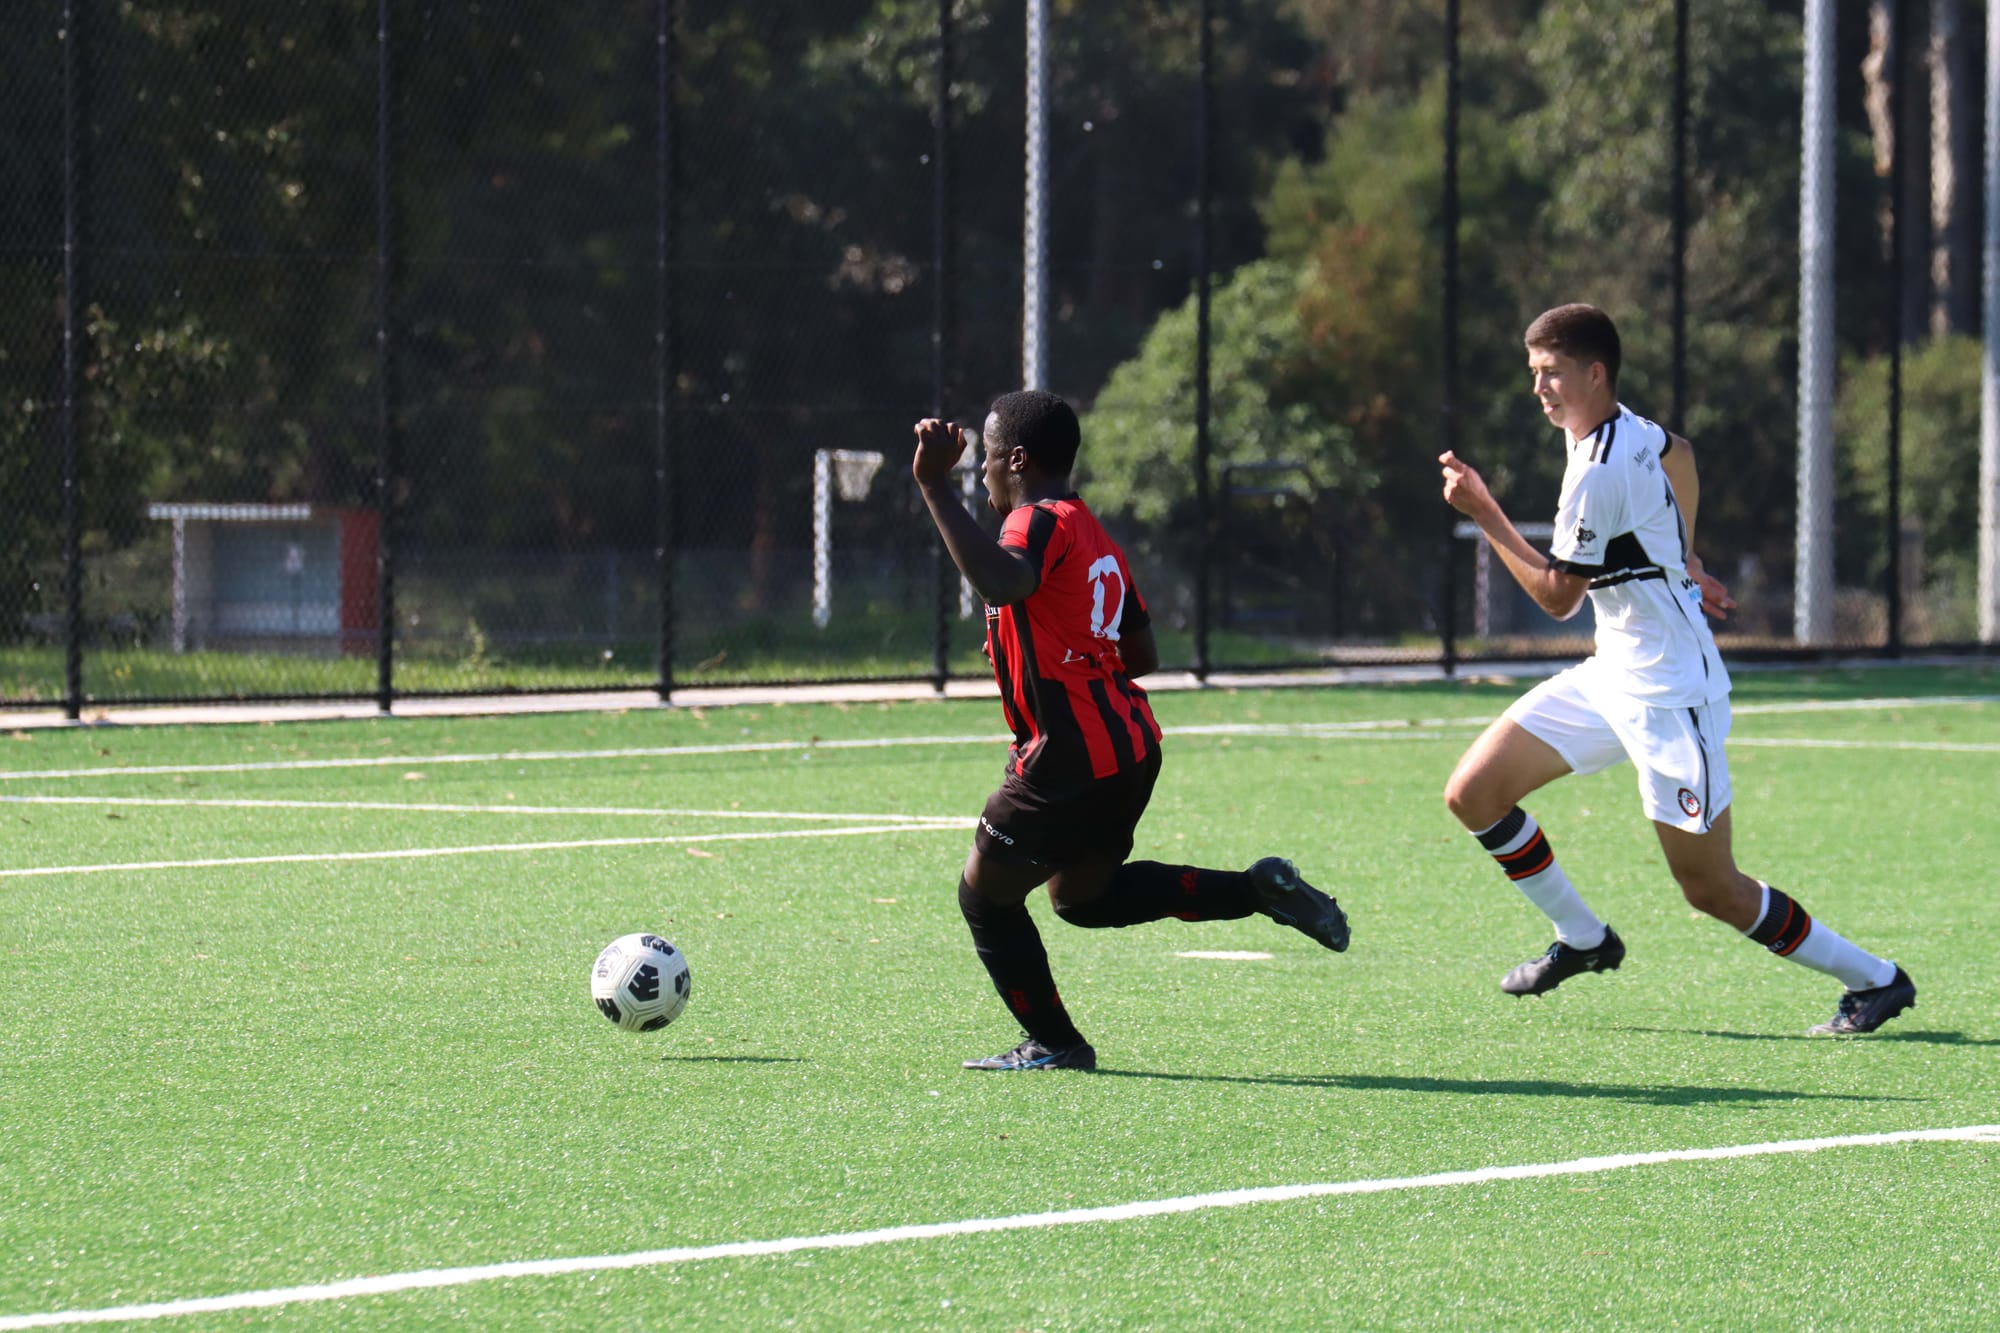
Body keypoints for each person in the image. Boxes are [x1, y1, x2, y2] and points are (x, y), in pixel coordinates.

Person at [1437, 303, 1915, 1036]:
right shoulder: (1621, 428)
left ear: (1595, 374)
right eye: (1534, 373)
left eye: (1552, 373)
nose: (1540, 389)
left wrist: (1485, 510)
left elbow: (1557, 598)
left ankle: (1876, 979)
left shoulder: (1594, 468)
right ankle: (1585, 939)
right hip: (1612, 673)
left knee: (1711, 887)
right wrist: (1684, 557)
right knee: (1473, 792)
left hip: (1671, 694)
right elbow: (1680, 453)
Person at [912, 389, 1350, 1072]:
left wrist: (935, 485)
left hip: (1064, 759)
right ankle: (1257, 888)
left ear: (1017, 459)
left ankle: (1059, 1045)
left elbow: (1002, 582)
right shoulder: (1093, 533)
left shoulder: (1033, 522)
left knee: (984, 896)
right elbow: (1140, 652)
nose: (986, 476)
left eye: (989, 462)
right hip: (1130, 749)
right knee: (1082, 899)